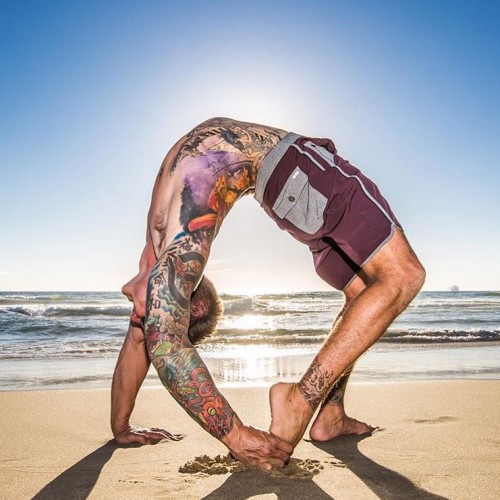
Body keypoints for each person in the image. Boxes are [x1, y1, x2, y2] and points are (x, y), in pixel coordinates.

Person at [112, 117, 425, 470]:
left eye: (145, 316)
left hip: (281, 181)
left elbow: (153, 341)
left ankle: (331, 414)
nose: (137, 315)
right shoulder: (171, 256)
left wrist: (121, 428)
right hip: (287, 170)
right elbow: (164, 345)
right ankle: (301, 402)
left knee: (365, 292)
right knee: (402, 276)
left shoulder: (161, 259)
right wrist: (235, 436)